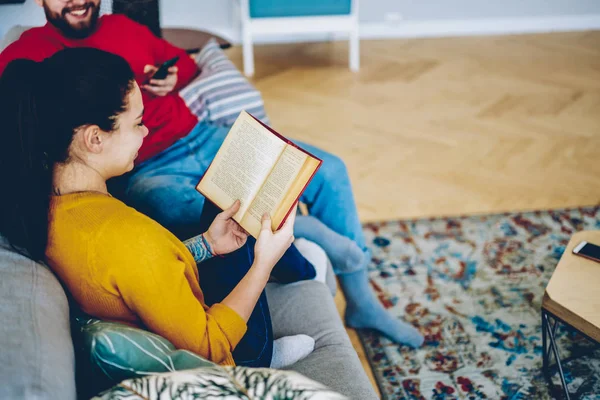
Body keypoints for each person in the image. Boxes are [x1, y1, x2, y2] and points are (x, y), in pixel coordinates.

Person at [0, 0, 423, 347]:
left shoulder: (125, 28)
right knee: (181, 204)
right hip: (146, 165)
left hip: (203, 136)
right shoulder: (28, 60)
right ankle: (299, 226)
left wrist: (168, 77)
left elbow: (182, 66)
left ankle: (363, 300)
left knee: (329, 169)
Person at [0, 47, 317, 368]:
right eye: (137, 122)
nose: (146, 131)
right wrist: (264, 264)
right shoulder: (130, 237)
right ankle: (292, 296)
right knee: (249, 222)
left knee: (220, 207)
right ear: (94, 139)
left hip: (164, 309)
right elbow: (210, 349)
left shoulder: (48, 201)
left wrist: (206, 245)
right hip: (234, 355)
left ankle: (302, 267)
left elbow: (135, 278)